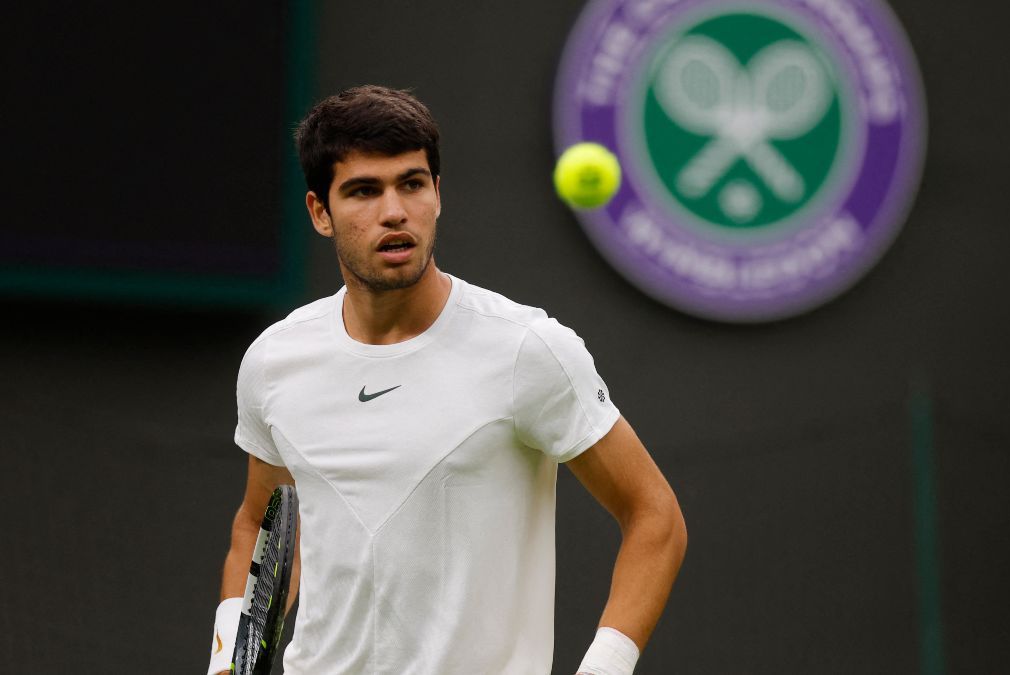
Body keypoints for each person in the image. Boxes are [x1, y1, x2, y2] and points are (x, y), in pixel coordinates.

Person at [206, 85, 687, 674]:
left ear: (438, 195)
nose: (393, 211)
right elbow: (267, 525)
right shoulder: (274, 362)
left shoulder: (526, 350)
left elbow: (654, 514)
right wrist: (232, 661)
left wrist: (605, 667)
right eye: (363, 191)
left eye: (412, 184)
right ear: (319, 213)